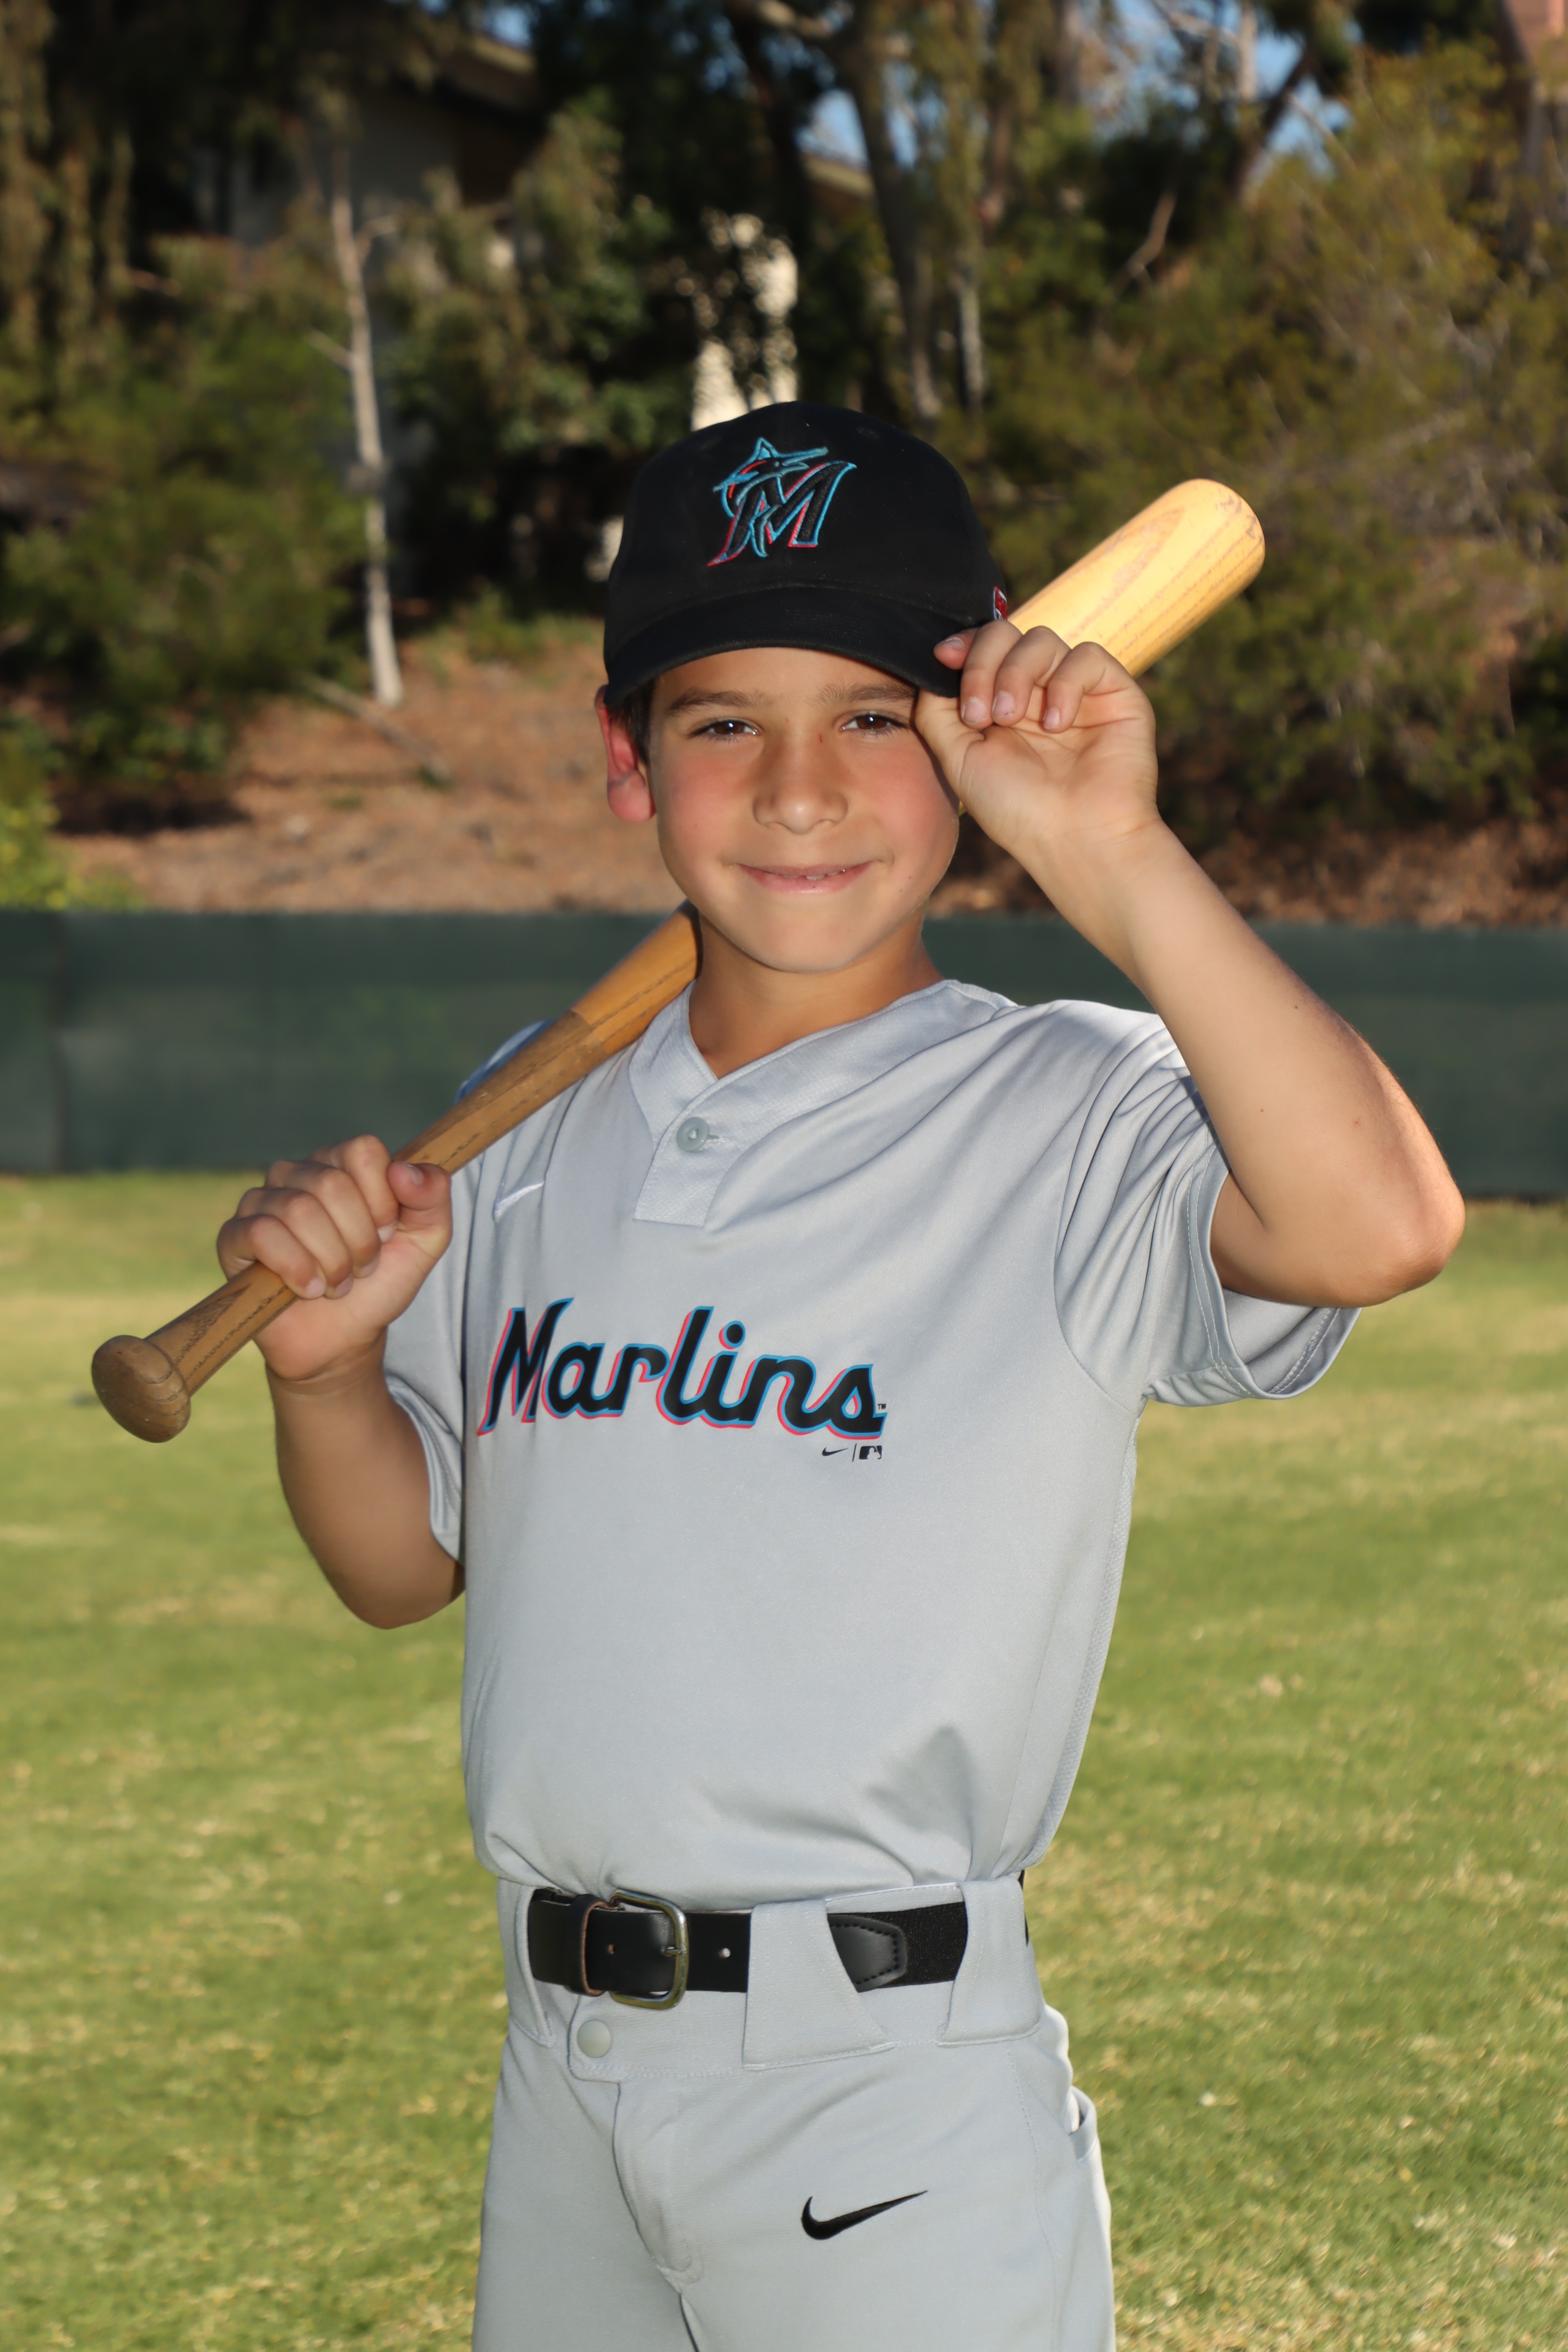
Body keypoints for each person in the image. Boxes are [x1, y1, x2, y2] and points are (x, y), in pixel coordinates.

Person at [215, 405, 1464, 2351]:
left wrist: (1112, 850)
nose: (801, 788)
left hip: (881, 2083)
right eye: (724, 721)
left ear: (964, 743)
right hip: (562, 2070)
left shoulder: (1066, 1103)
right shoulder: (525, 1124)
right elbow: (404, 1569)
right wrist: (325, 1376)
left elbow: (1380, 1222)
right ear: (628, 757)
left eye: (875, 717)